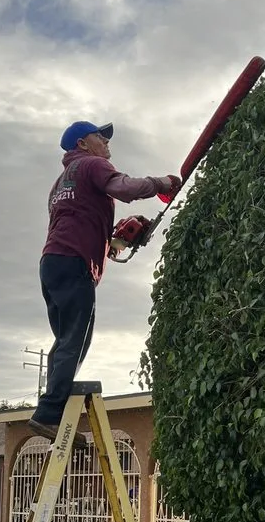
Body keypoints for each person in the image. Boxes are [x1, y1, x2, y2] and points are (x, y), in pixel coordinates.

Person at [28, 120, 180, 442]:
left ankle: (52, 410)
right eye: (101, 136)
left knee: (65, 339)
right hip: (74, 262)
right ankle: (48, 414)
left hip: (52, 262)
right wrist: (163, 183)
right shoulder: (93, 165)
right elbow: (124, 188)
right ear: (83, 143)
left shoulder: (60, 184)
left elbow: (79, 219)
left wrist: (115, 242)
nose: (107, 143)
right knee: (76, 340)